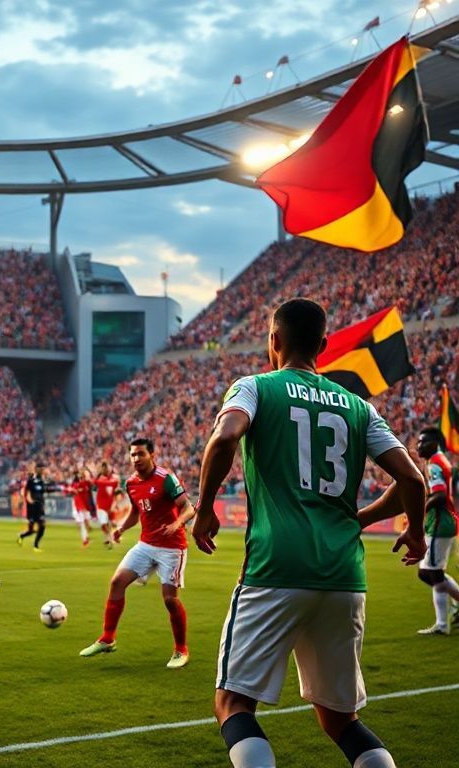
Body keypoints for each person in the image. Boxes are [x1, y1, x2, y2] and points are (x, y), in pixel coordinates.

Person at [193, 298, 426, 768]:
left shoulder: (254, 387)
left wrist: (205, 508)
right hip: (344, 576)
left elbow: (225, 437)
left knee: (233, 703)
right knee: (341, 719)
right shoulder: (359, 407)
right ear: (323, 346)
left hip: (275, 567)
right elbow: (412, 479)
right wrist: (412, 532)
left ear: (273, 341)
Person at [79, 438, 196, 669]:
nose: (136, 458)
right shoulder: (131, 482)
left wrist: (177, 524)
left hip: (172, 547)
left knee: (170, 600)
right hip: (146, 544)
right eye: (133, 454)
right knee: (117, 582)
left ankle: (181, 650)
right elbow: (136, 512)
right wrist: (121, 529)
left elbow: (188, 507)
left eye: (141, 454)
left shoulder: (166, 478)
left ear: (152, 455)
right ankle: (108, 639)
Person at [413, 426, 458, 635]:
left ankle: (442, 625)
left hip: (441, 522)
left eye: (423, 442)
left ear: (435, 444)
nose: (419, 446)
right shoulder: (440, 461)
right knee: (427, 573)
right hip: (442, 521)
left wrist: (421, 510)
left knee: (433, 573)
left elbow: (439, 495)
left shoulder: (434, 464)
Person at [18, 463, 47, 552]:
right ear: (36, 469)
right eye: (41, 469)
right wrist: (30, 501)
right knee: (31, 530)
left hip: (40, 506)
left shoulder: (41, 481)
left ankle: (36, 546)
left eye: (43, 469)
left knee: (42, 525)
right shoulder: (31, 480)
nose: (42, 470)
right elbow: (27, 493)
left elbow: (42, 494)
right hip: (32, 508)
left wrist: (43, 505)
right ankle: (22, 536)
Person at [94, 461, 120, 548]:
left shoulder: (113, 479)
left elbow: (116, 490)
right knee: (103, 524)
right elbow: (97, 482)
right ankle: (110, 537)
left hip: (110, 505)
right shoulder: (101, 479)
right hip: (101, 505)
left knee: (110, 523)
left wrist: (115, 503)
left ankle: (110, 537)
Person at [68, 468, 94, 547]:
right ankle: (85, 539)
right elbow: (71, 489)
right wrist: (73, 490)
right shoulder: (78, 483)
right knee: (81, 522)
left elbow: (91, 483)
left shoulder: (86, 483)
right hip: (79, 505)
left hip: (85, 505)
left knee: (85, 522)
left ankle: (86, 536)